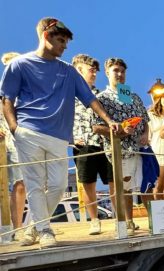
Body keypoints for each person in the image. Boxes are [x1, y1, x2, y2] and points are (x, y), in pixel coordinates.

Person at [0, 18, 118, 247]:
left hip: (58, 136)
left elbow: (90, 99)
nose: (65, 46)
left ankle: (34, 227)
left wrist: (110, 120)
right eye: (61, 40)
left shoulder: (68, 71)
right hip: (28, 132)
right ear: (46, 36)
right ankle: (45, 231)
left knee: (58, 185)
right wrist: (15, 128)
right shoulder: (19, 65)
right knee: (34, 184)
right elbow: (7, 99)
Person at [92, 57, 149, 236]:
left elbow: (145, 119)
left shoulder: (130, 94)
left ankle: (157, 221)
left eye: (122, 71)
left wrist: (146, 134)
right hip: (120, 150)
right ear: (107, 73)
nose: (120, 74)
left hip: (140, 148)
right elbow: (96, 126)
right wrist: (121, 130)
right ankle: (126, 222)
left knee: (146, 185)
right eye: (116, 70)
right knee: (124, 188)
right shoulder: (102, 98)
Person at [71, 53, 112, 235]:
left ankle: (121, 219)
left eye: (96, 70)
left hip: (105, 144)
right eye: (91, 69)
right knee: (88, 184)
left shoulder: (101, 95)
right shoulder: (68, 94)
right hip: (83, 145)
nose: (94, 73)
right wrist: (70, 139)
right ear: (79, 71)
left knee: (114, 182)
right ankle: (95, 220)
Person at [0, 51, 26, 241]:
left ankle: (17, 228)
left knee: (21, 184)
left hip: (21, 142)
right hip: (4, 142)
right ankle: (7, 228)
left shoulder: (25, 91)